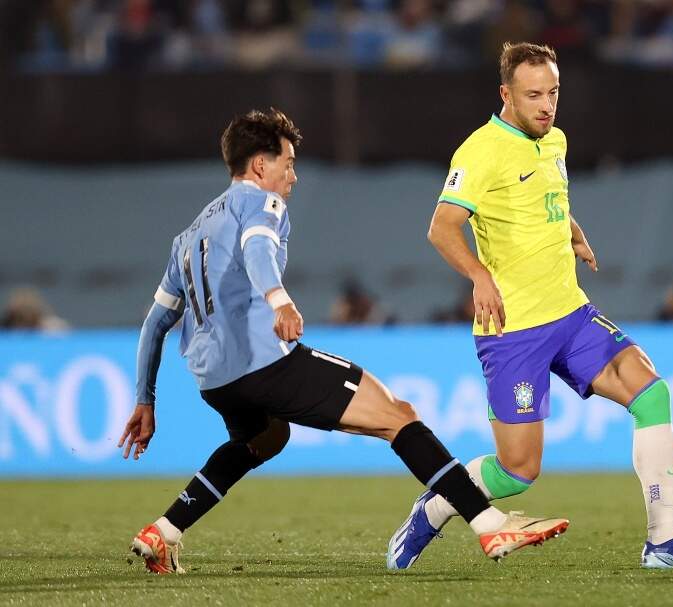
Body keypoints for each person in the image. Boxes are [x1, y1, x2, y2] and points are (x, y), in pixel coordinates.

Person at [119, 107, 568, 575]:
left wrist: (145, 399)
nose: (293, 175)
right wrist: (279, 300)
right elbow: (257, 247)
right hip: (265, 363)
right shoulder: (259, 203)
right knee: (398, 415)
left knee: (264, 439)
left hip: (214, 380)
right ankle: (488, 522)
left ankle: (164, 532)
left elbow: (155, 322)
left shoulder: (188, 236)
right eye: (287, 162)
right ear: (258, 166)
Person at [387, 43, 673, 571]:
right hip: (513, 329)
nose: (546, 105)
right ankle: (435, 506)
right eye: (533, 95)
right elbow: (441, 228)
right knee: (517, 471)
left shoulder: (555, 141)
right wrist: (479, 275)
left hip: (571, 314)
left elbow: (546, 198)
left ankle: (663, 543)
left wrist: (570, 231)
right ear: (505, 95)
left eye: (553, 92)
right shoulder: (480, 151)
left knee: (652, 393)